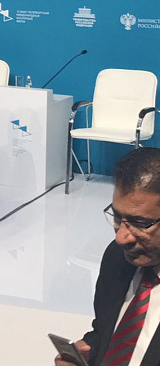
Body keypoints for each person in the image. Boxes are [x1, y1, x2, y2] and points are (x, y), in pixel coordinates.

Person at [55, 148, 160, 366]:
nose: (121, 237)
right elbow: (105, 332)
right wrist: (87, 355)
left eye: (140, 223)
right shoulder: (117, 258)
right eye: (117, 217)